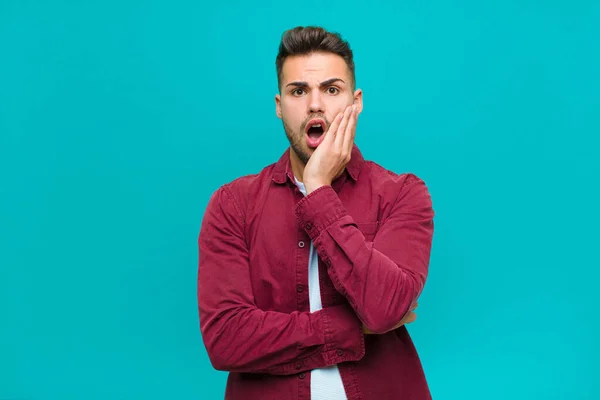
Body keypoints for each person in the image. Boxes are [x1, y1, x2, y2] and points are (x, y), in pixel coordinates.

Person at [197, 26, 435, 400]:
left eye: (332, 89)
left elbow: (385, 309)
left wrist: (319, 189)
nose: (315, 105)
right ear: (279, 106)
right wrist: (351, 327)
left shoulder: (402, 194)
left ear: (355, 102)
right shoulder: (233, 205)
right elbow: (226, 340)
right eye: (298, 91)